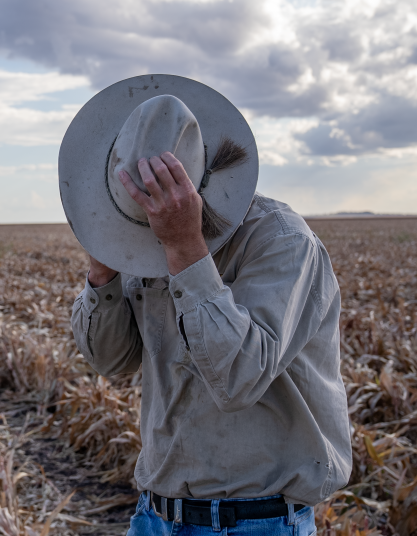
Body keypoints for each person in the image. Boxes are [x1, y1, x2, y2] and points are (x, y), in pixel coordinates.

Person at [58, 75, 351, 536]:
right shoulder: (140, 243)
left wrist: (185, 250)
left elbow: (238, 379)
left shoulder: (282, 242)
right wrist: (103, 269)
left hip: (257, 522)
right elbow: (110, 360)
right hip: (155, 515)